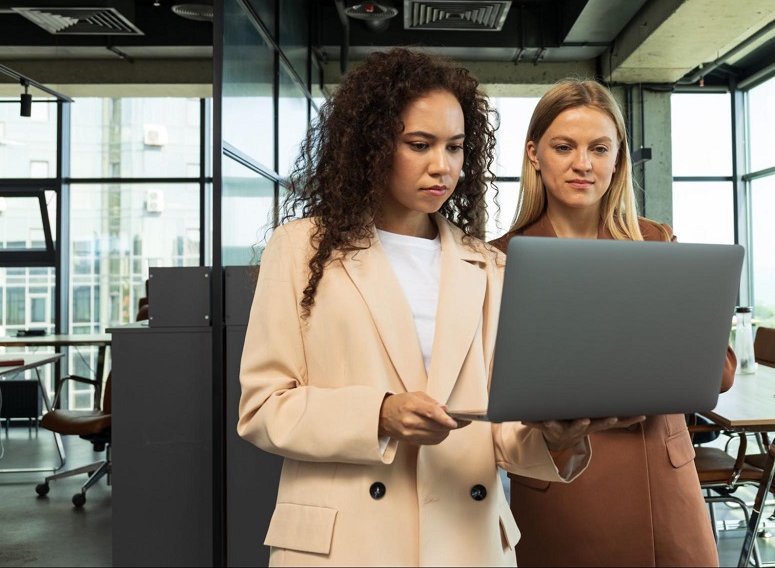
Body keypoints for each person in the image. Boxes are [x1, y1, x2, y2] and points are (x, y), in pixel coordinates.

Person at [237, 49, 642, 567]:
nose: (442, 166)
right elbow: (262, 407)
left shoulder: (487, 265)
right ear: (372, 145)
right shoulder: (302, 249)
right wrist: (379, 415)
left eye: (455, 147)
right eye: (419, 144)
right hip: (346, 545)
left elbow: (500, 432)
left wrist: (554, 437)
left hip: (467, 540)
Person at [490, 79, 737, 567]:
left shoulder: (655, 243)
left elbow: (719, 371)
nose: (583, 163)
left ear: (617, 161)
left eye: (599, 149)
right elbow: (494, 384)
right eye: (564, 147)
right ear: (534, 154)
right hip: (560, 482)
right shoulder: (497, 261)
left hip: (662, 485)